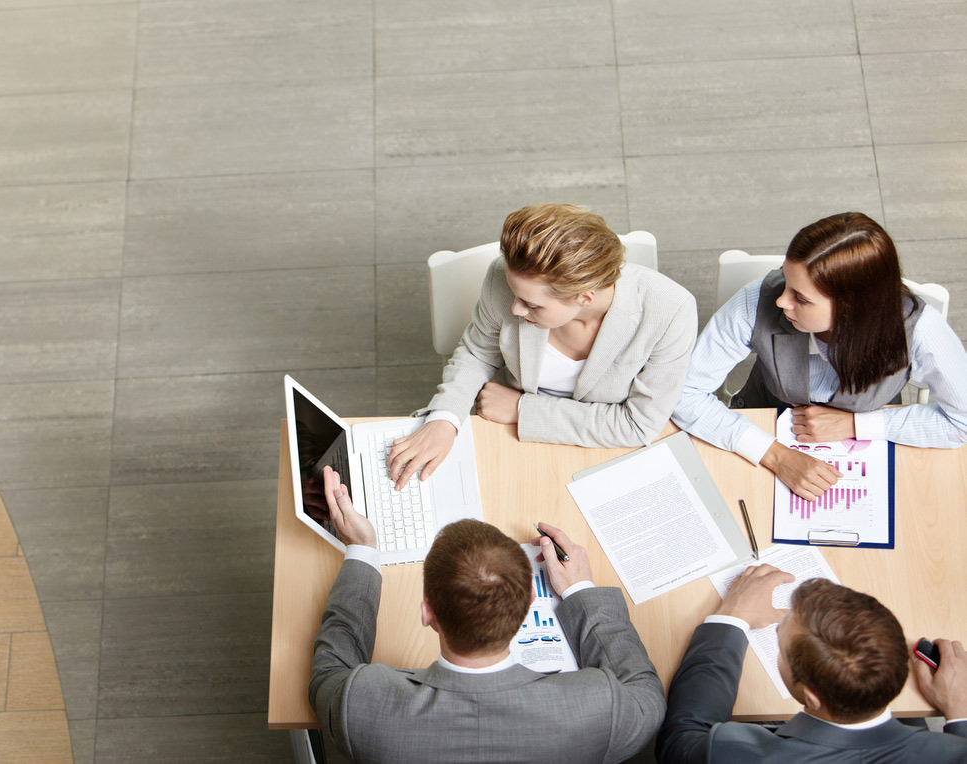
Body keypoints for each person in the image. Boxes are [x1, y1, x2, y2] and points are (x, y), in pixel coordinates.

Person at [309, 465, 665, 764]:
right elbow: (647, 697)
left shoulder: (360, 706)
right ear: (528, 603)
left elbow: (329, 669)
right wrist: (579, 590)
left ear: (427, 613)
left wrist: (361, 550)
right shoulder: (598, 708)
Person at [388, 203, 698, 489]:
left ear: (584, 297)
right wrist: (445, 418)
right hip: (507, 438)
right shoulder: (501, 277)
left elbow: (638, 425)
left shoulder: (671, 311)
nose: (516, 310)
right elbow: (478, 352)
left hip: (603, 455)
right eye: (515, 295)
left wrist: (522, 410)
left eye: (531, 305)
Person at [672, 212, 967, 500]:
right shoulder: (756, 300)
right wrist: (774, 454)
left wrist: (857, 426)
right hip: (761, 423)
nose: (781, 300)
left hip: (868, 443)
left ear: (854, 309)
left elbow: (962, 423)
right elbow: (683, 392)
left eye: (801, 298)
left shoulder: (920, 330)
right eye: (786, 281)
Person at [657, 567, 967, 764]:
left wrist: (732, 616)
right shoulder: (953, 752)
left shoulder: (745, 755)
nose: (778, 629)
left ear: (811, 696)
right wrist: (961, 714)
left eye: (783, 642)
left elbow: (680, 741)